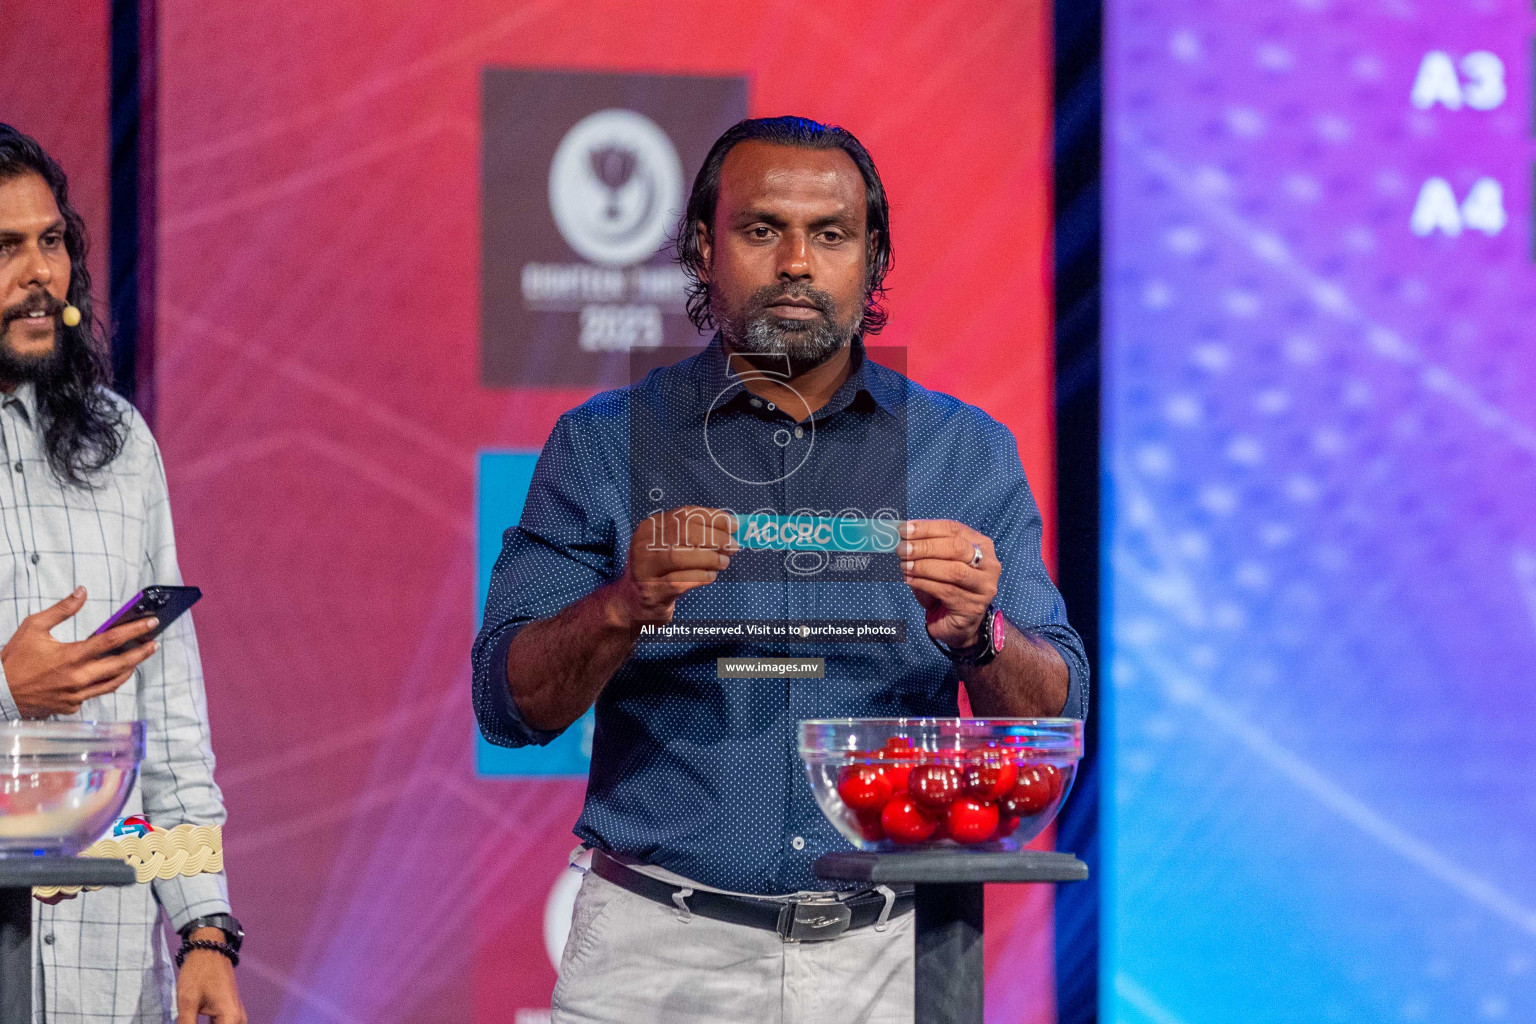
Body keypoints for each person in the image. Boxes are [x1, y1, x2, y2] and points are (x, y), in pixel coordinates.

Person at [473, 116, 1087, 1023]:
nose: (797, 262)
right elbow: (507, 705)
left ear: (874, 259)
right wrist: (624, 605)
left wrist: (980, 634)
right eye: (763, 230)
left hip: (886, 959)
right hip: (657, 954)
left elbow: (1055, 719)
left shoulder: (964, 455)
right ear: (700, 248)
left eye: (831, 234)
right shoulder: (604, 446)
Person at [0, 125, 245, 1023]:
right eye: (5, 248)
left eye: (52, 240)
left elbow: (171, 728)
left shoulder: (119, 446)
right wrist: (4, 686)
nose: (40, 274)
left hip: (105, 980)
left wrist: (204, 927)